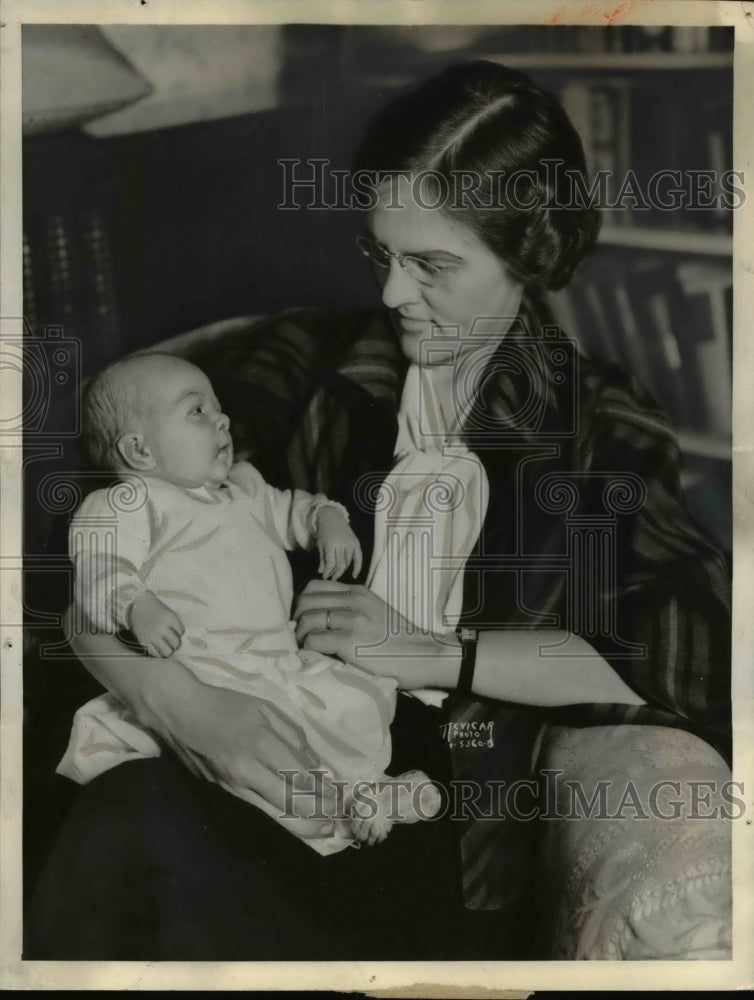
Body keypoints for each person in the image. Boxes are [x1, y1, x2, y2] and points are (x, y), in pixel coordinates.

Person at [26, 60, 732, 961]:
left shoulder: (596, 425)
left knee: (129, 835)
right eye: (380, 255)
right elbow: (94, 548)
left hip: (426, 818)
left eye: (431, 265)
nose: (394, 293)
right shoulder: (310, 362)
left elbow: (686, 657)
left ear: (528, 253)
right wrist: (180, 703)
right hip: (242, 748)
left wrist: (430, 650)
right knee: (124, 814)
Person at [58, 351, 441, 851]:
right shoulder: (128, 503)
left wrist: (327, 520)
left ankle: (368, 789)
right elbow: (98, 566)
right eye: (197, 410)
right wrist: (134, 604)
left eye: (218, 407)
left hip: (276, 658)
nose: (222, 419)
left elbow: (292, 510)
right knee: (264, 754)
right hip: (208, 671)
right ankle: (338, 813)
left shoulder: (244, 487)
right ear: (140, 450)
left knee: (350, 708)